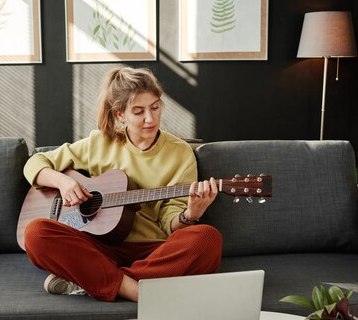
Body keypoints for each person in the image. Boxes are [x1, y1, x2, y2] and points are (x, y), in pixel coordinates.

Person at [23, 67, 222, 302]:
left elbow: (171, 224)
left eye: (155, 107)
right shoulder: (99, 142)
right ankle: (136, 290)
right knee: (35, 233)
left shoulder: (180, 153)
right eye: (138, 111)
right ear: (120, 115)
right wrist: (63, 182)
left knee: (208, 239)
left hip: (153, 251)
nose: (150, 118)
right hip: (98, 247)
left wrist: (190, 215)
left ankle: (97, 281)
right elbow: (35, 162)